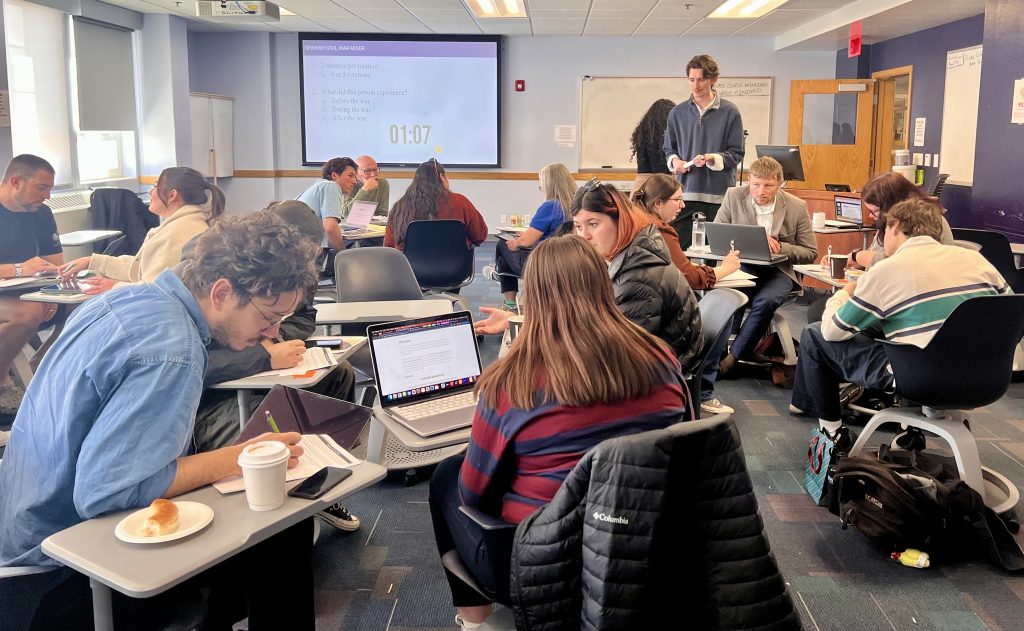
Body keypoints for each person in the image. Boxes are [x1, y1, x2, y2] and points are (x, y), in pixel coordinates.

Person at [0, 212, 320, 630]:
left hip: (21, 530)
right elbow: (109, 492)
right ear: (222, 293)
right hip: (59, 570)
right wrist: (240, 457)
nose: (272, 331)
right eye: (268, 317)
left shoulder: (124, 301)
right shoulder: (173, 350)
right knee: (284, 531)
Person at [429, 235, 689, 630]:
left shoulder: (512, 383)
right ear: (604, 284)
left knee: (448, 475)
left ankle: (474, 621)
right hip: (650, 547)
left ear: (532, 297)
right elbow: (684, 445)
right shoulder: (661, 358)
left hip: (548, 569)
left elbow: (473, 496)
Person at [188, 200, 361, 533]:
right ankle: (276, 504)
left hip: (262, 368)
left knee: (337, 376)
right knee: (276, 414)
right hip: (215, 401)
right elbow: (198, 365)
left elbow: (304, 318)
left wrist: (272, 334)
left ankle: (319, 481)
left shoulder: (294, 269)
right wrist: (264, 355)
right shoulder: (211, 284)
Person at [790, 199, 1010, 438]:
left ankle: (831, 434)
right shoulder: (976, 260)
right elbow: (1011, 319)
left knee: (814, 335)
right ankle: (921, 420)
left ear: (896, 227)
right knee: (906, 336)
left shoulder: (888, 269)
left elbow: (831, 332)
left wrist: (843, 294)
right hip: (989, 379)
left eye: (885, 229)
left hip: (922, 379)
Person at [571, 180, 703, 372]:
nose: (584, 236)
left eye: (593, 224)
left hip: (661, 372)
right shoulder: (631, 253)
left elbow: (626, 356)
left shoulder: (638, 276)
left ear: (620, 221)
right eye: (578, 226)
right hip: (655, 361)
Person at [714, 157, 818, 385]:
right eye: (755, 185)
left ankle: (733, 358)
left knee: (767, 301)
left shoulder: (796, 206)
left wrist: (780, 246)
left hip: (779, 271)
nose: (761, 192)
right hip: (742, 265)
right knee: (730, 295)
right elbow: (718, 236)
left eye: (768, 186)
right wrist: (752, 241)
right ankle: (718, 356)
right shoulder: (733, 196)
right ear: (748, 181)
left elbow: (810, 251)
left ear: (780, 183)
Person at [59, 167, 225, 294]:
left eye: (155, 186)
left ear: (172, 195)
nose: (150, 192)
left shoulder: (178, 232)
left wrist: (114, 286)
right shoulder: (184, 224)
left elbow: (157, 292)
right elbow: (139, 268)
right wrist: (91, 261)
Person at [0, 155, 63, 422]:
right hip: (13, 296)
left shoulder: (42, 214)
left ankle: (42, 367)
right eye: (41, 187)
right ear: (15, 182)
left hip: (26, 290)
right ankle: (2, 381)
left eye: (50, 189)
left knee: (87, 304)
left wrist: (54, 291)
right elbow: (25, 269)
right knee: (28, 313)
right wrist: (18, 269)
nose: (47, 196)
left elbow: (55, 264)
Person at [662, 54, 744, 246]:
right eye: (691, 80)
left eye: (701, 79)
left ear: (713, 79)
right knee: (681, 251)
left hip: (719, 197)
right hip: (684, 196)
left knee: (715, 252)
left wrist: (713, 159)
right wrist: (675, 161)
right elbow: (669, 148)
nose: (695, 85)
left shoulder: (730, 112)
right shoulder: (677, 112)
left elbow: (737, 153)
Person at [483, 162, 575, 309]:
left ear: (549, 186)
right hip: (569, 262)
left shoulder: (550, 206)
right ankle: (499, 273)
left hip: (542, 264)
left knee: (503, 244)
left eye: (542, 186)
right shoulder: (576, 206)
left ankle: (508, 297)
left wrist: (516, 243)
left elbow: (526, 242)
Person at [630, 173, 740, 289]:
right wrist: (727, 268)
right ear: (658, 203)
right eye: (677, 199)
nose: (682, 205)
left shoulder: (635, 223)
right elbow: (691, 278)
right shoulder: (660, 231)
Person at [846, 170, 955, 270]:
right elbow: (875, 254)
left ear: (890, 206)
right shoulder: (890, 222)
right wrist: (858, 261)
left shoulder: (922, 221)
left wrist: (857, 256)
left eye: (875, 211)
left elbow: (891, 262)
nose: (871, 215)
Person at [384, 158, 488, 252]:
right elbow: (480, 236)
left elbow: (389, 245)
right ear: (442, 177)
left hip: (410, 266)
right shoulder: (460, 202)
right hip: (455, 265)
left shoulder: (400, 207)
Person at [296, 156, 358, 252]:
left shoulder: (318, 186)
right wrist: (343, 253)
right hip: (307, 250)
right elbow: (330, 227)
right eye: (350, 176)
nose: (355, 181)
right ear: (334, 176)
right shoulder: (331, 186)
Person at [630, 98, 675, 189]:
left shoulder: (644, 135)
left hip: (640, 185)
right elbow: (660, 171)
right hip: (656, 186)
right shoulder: (659, 139)